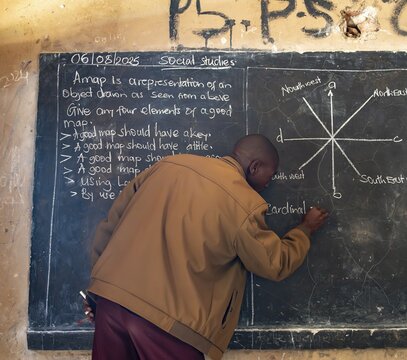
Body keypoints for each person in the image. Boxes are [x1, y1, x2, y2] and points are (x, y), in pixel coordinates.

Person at [84, 134, 328, 360]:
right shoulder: (242, 201)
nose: (269, 183)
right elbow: (273, 263)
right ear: (254, 166)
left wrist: (98, 291)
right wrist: (305, 230)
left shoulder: (168, 165)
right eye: (270, 174)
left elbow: (110, 226)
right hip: (170, 325)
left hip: (112, 306)